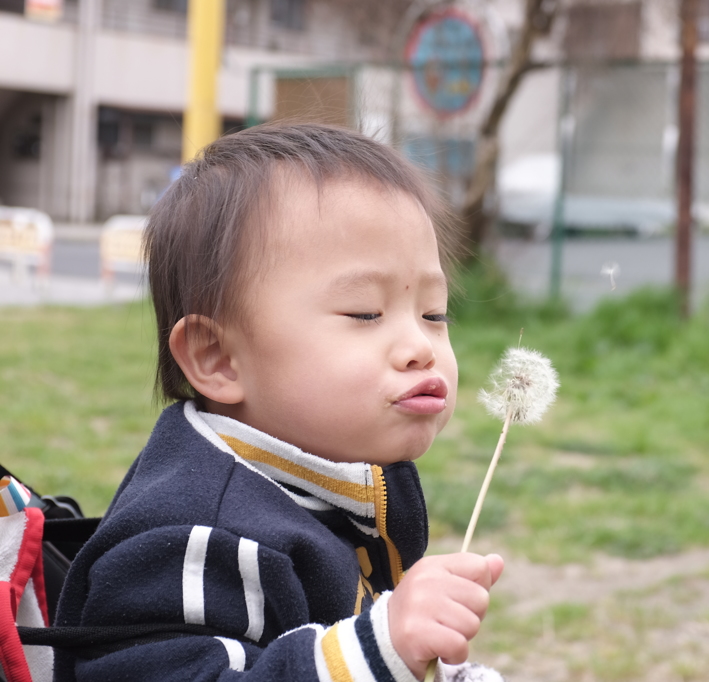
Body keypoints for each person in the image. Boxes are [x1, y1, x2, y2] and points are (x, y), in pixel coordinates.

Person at [54, 124, 504, 682]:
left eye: (434, 314)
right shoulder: (194, 540)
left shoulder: (326, 475)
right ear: (218, 358)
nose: (419, 347)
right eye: (365, 312)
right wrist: (379, 648)